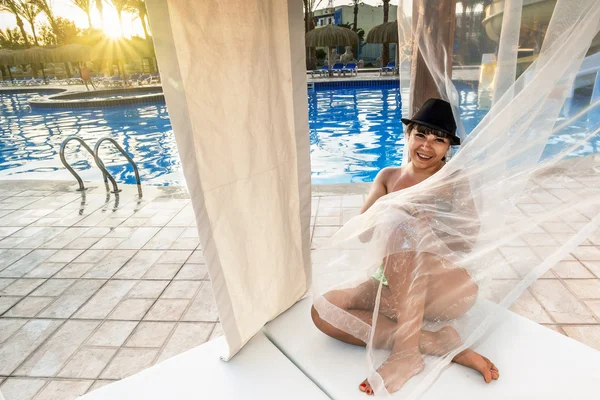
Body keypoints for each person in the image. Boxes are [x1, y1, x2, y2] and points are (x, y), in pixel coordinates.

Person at [311, 98, 499, 395]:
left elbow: (467, 241)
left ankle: (406, 354)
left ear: (449, 146)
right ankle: (435, 342)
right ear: (408, 135)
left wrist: (431, 227)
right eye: (421, 135)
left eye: (439, 139)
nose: (427, 146)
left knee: (407, 228)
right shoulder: (388, 177)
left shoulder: (453, 180)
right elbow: (363, 234)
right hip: (390, 283)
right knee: (324, 311)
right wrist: (388, 207)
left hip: (445, 286)